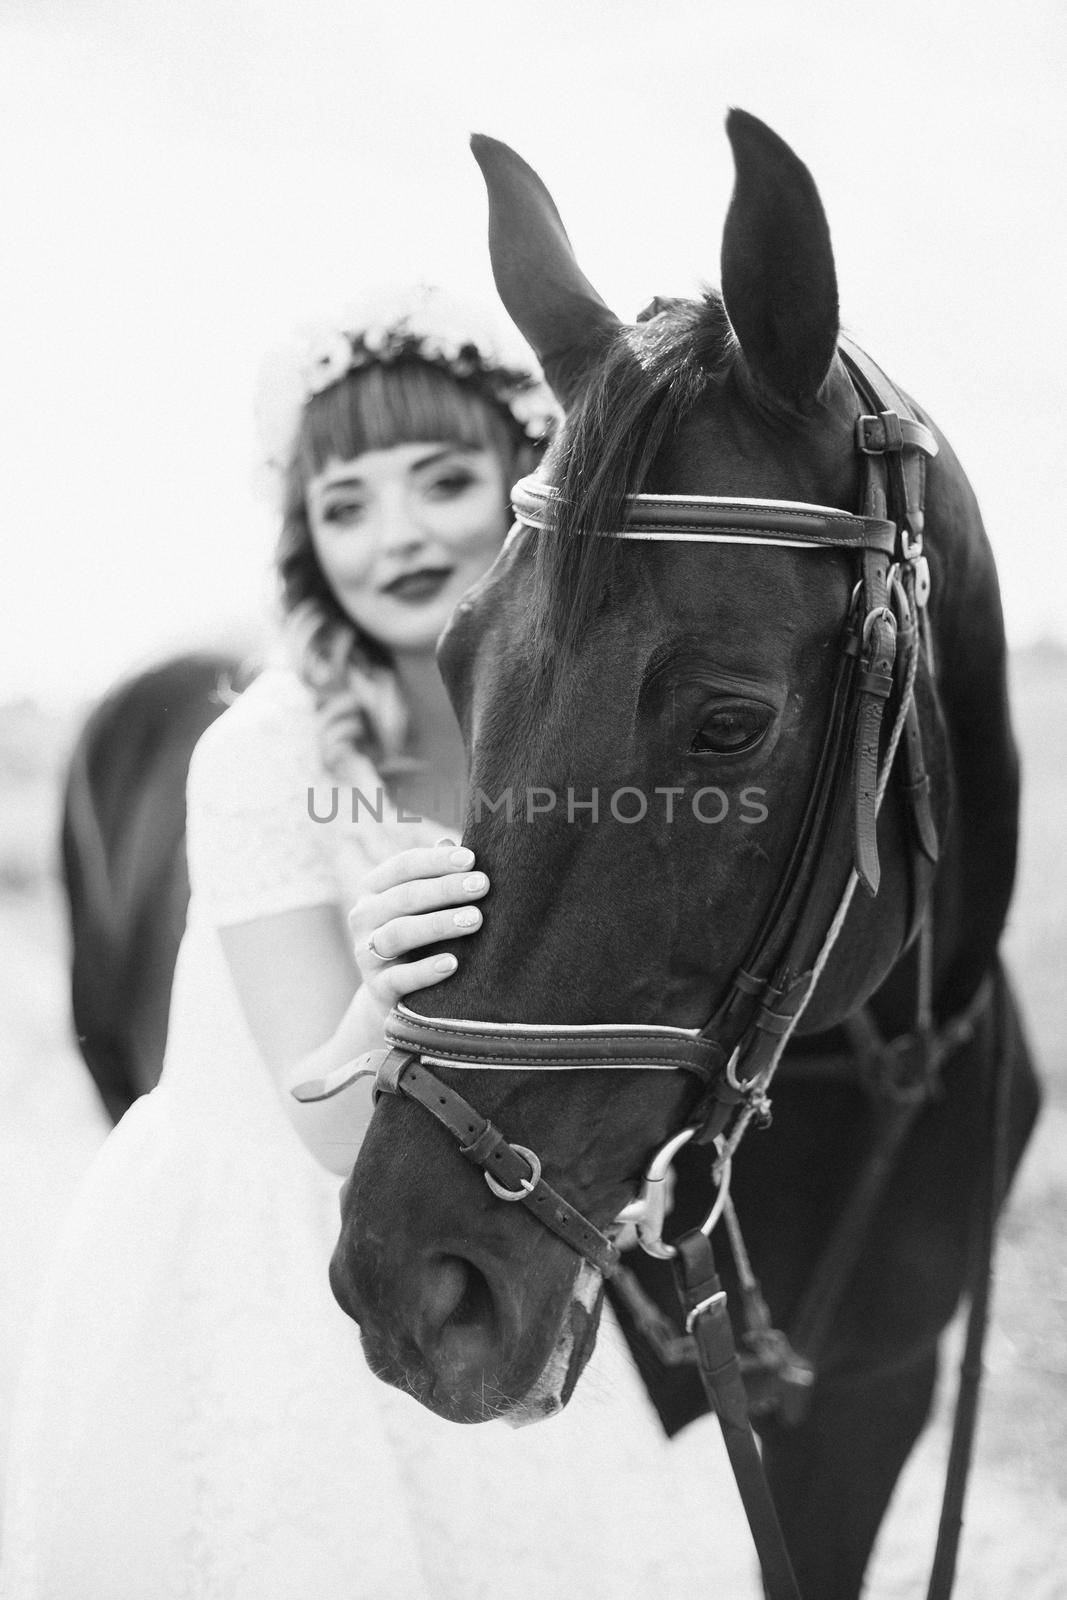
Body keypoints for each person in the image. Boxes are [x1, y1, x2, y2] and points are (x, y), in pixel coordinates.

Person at [0, 288, 742, 1600]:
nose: (391, 532)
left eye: (440, 480)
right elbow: (337, 1136)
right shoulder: (266, 754)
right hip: (289, 1264)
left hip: (495, 1216)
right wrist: (392, 998)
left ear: (528, 487)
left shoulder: (548, 743)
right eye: (344, 504)